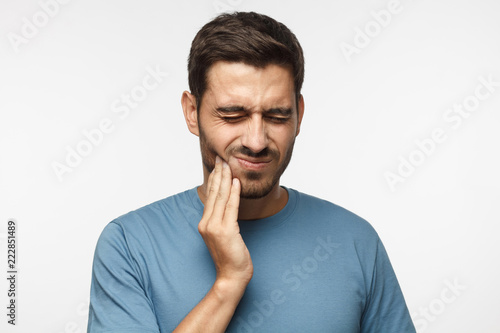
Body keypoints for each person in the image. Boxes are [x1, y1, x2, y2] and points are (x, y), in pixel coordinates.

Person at [87, 11, 416, 333]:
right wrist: (228, 283)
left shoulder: (357, 241)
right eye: (232, 115)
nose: (256, 142)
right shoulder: (128, 245)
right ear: (191, 113)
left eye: (276, 116)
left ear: (299, 115)